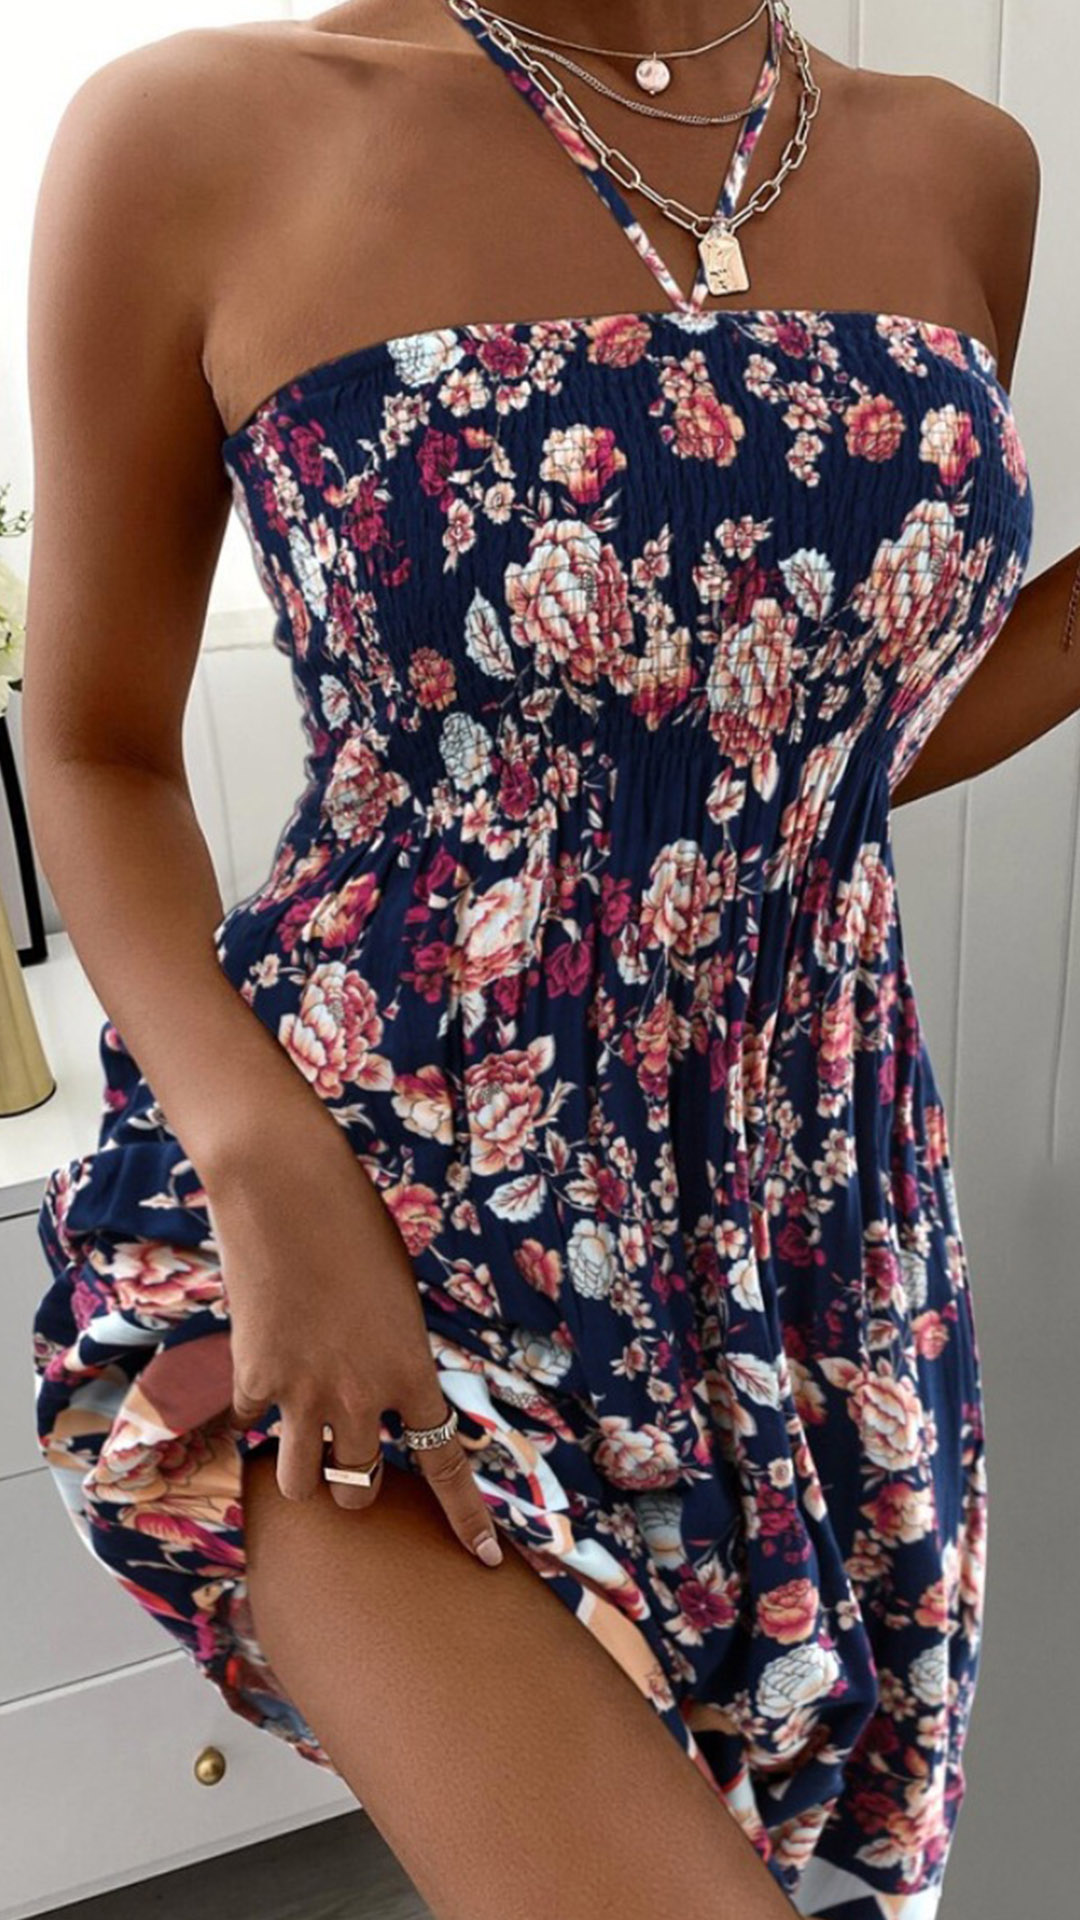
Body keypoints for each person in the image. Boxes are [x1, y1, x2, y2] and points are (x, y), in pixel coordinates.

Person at [21, 3, 1064, 1916]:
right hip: (363, 1181)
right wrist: (266, 1174)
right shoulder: (200, 134)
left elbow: (808, 739)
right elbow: (92, 745)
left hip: (803, 1205)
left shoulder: (964, 165)